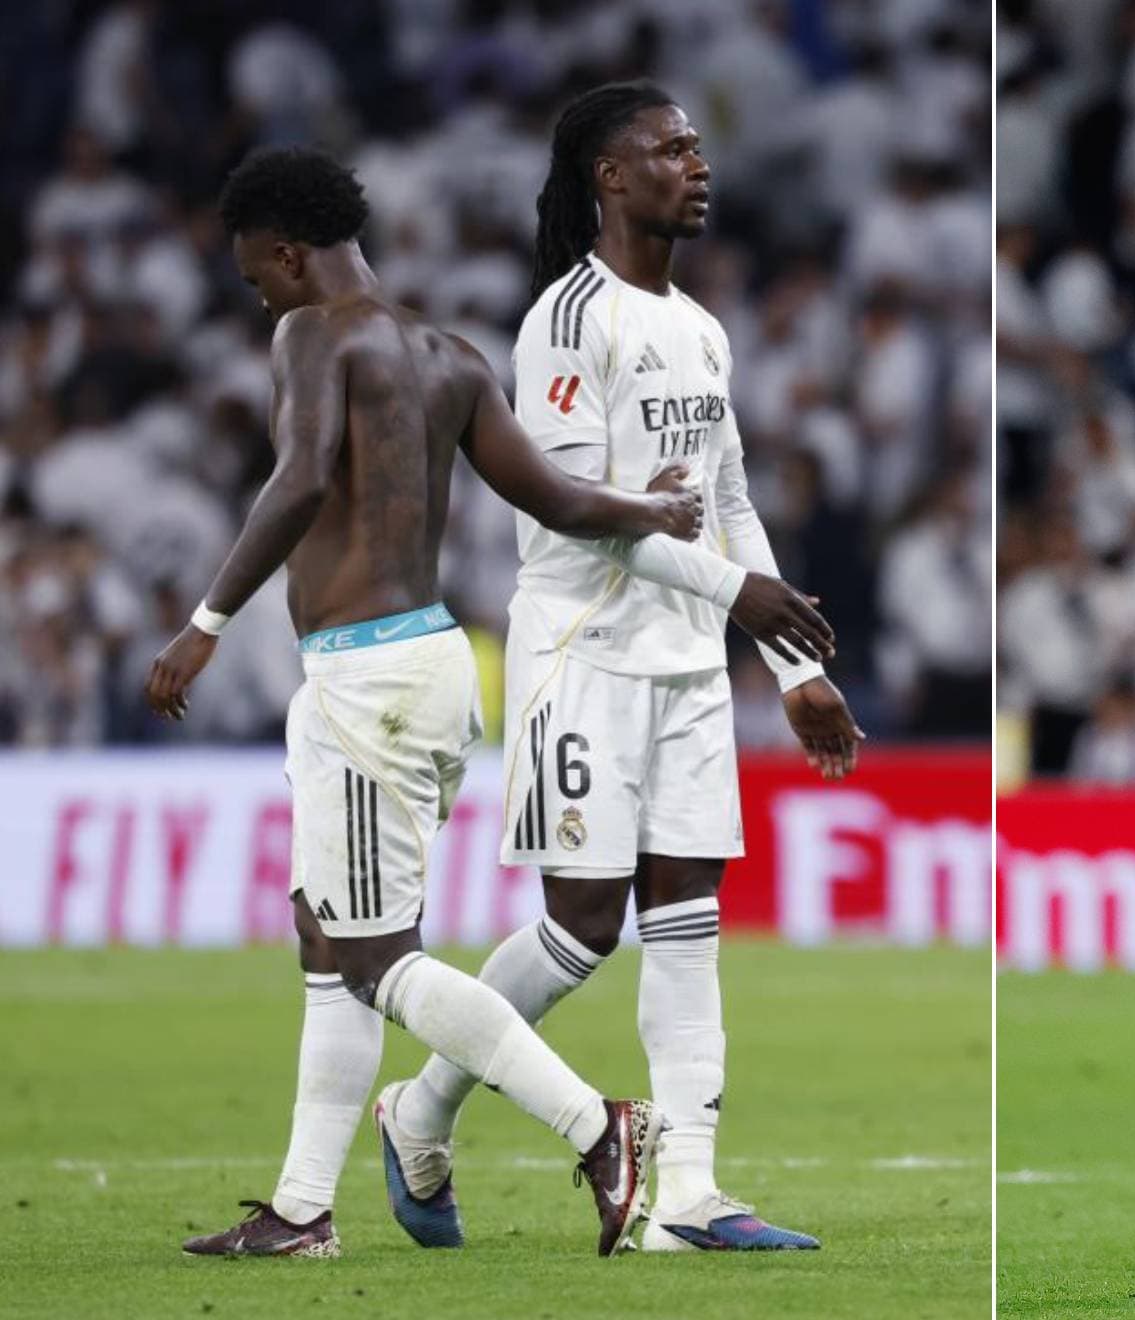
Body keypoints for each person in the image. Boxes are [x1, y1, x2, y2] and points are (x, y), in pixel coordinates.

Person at [150, 146, 835, 1260]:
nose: (257, 296)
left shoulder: (312, 335)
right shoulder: (449, 356)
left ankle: (595, 1127)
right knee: (329, 939)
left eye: (252, 276)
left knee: (374, 959)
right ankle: (301, 1211)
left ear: (284, 252)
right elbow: (553, 496)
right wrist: (644, 509)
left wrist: (207, 623)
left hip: (362, 672)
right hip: (437, 662)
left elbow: (303, 476)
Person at [373, 82, 863, 1256]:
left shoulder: (699, 327)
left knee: (689, 915)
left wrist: (791, 664)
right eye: (671, 149)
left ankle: (688, 1196)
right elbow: (587, 516)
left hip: (689, 666)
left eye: (698, 147)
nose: (698, 166)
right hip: (581, 656)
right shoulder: (566, 319)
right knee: (584, 926)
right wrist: (735, 592)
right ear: (609, 174)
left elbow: (727, 497)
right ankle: (421, 1109)